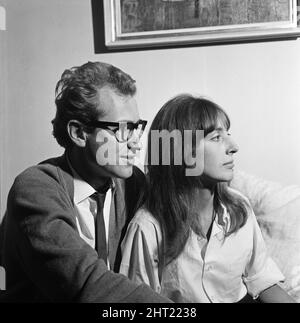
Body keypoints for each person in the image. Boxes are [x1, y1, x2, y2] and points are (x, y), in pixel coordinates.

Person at [0, 61, 171, 302]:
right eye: (122, 129)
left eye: (136, 127)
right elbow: (88, 285)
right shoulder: (34, 189)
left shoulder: (132, 183)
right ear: (79, 133)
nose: (135, 142)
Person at [120, 94, 296, 303]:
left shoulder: (239, 208)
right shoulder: (148, 227)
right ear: (181, 151)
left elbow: (263, 279)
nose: (233, 146)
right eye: (216, 138)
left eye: (228, 134)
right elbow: (136, 303)